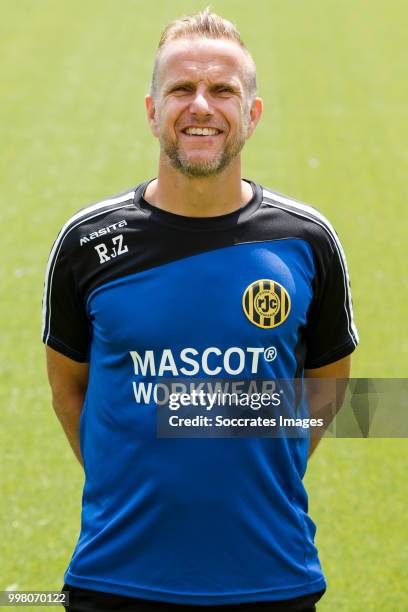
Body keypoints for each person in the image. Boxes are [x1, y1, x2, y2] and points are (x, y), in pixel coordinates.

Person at [42, 9, 358, 612]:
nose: (202, 107)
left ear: (253, 113)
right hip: (115, 579)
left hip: (272, 577)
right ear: (152, 110)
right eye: (181, 89)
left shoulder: (307, 242)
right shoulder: (87, 242)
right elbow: (68, 391)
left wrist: (213, 420)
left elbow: (329, 393)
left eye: (223, 90)